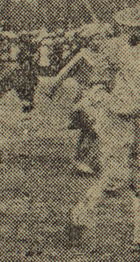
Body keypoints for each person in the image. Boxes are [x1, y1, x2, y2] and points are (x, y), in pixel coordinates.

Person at [46, 2, 140, 254]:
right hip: (115, 120)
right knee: (114, 177)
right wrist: (118, 104)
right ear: (125, 27)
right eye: (136, 27)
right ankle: (79, 214)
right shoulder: (111, 49)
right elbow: (96, 86)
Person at [46, 23, 114, 176]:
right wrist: (53, 88)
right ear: (89, 41)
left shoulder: (107, 55)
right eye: (95, 39)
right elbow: (65, 71)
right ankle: (85, 161)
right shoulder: (83, 55)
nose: (99, 42)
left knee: (96, 129)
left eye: (100, 38)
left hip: (103, 95)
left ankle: (87, 161)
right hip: (87, 95)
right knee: (93, 127)